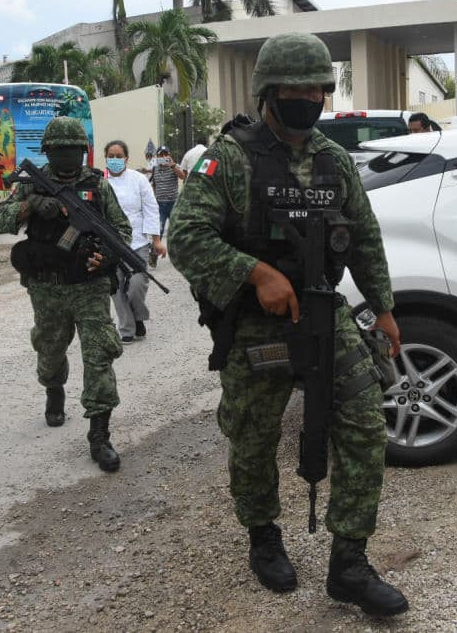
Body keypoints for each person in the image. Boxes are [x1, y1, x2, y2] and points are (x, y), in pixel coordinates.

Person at [168, 32, 408, 617]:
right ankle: (263, 536)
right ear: (267, 92)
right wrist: (254, 273)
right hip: (257, 326)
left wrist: (382, 305)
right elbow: (185, 238)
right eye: (292, 88)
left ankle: (348, 563)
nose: (305, 97)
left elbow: (365, 236)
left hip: (325, 315)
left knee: (363, 426)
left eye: (315, 88)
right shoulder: (230, 158)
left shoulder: (333, 160)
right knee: (254, 438)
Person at [0, 116, 132, 473]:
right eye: (61, 150)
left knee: (100, 353)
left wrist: (108, 256)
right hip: (47, 287)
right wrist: (32, 206)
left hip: (89, 285)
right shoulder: (31, 184)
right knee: (50, 349)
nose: (69, 156)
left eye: (74, 149)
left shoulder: (97, 187)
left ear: (83, 152)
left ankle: (99, 435)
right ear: (49, 152)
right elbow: (0, 221)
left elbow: (122, 230)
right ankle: (54, 388)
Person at [103, 139, 165, 343]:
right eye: (110, 156)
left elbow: (151, 209)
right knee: (117, 287)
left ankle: (138, 316)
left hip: (137, 243)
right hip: (110, 245)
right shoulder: (99, 182)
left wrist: (156, 240)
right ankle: (127, 329)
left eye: (118, 156)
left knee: (137, 285)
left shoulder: (138, 180)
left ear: (126, 158)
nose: (114, 160)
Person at [150, 146, 186, 237]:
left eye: (165, 154)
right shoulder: (155, 168)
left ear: (169, 155)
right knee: (159, 230)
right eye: (161, 155)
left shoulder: (174, 166)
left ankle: (177, 250)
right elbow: (154, 184)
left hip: (173, 204)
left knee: (176, 230)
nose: (163, 157)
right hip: (160, 205)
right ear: (157, 157)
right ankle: (156, 250)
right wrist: (154, 198)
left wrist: (173, 165)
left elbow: (182, 176)